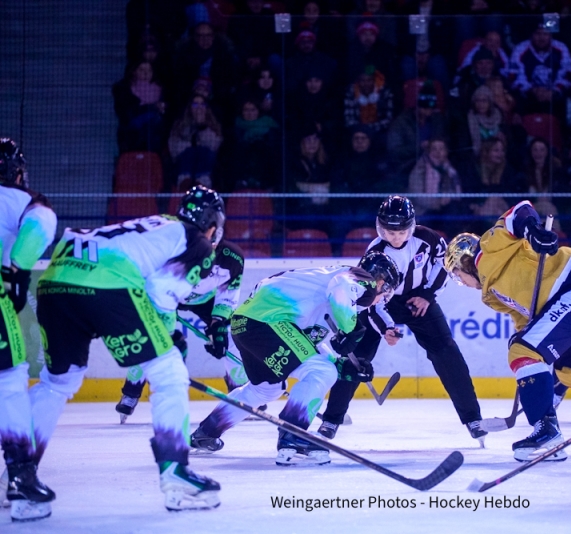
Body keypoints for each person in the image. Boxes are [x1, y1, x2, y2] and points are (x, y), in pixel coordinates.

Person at [27, 185, 224, 514]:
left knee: (57, 382)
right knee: (169, 371)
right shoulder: (197, 241)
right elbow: (161, 291)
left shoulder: (159, 223)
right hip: (106, 283)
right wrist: (171, 334)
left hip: (54, 281)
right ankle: (177, 473)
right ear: (214, 225)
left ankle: (17, 475)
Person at [443, 202, 571, 462]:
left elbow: (520, 211)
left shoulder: (488, 248)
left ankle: (547, 431)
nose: (463, 283)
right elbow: (525, 318)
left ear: (464, 261)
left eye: (459, 276)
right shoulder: (489, 295)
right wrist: (522, 333)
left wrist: (532, 230)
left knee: (522, 353)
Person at [189, 252, 399, 465]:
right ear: (381, 282)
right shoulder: (357, 279)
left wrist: (342, 365)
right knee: (322, 372)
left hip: (247, 324)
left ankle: (207, 432)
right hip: (268, 322)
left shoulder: (322, 292)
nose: (378, 301)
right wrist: (352, 329)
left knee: (265, 389)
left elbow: (306, 345)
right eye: (385, 295)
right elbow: (341, 287)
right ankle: (294, 435)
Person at [318, 196, 486, 443]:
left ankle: (473, 418)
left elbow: (445, 266)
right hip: (381, 302)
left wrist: (427, 295)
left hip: (419, 301)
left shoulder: (429, 239)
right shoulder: (375, 252)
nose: (395, 237)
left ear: (412, 224)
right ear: (379, 227)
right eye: (389, 231)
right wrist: (386, 327)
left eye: (401, 231)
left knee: (447, 352)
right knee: (356, 356)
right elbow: (369, 298)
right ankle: (331, 419)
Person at [115, 228, 247, 422]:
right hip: (170, 295)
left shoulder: (233, 258)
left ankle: (241, 393)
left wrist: (218, 322)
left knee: (230, 334)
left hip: (205, 300)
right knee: (151, 337)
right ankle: (131, 392)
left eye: (212, 247)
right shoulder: (173, 250)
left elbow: (228, 295)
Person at [0, 138, 58, 522]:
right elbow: (41, 225)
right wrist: (16, 271)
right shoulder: (24, 201)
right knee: (11, 380)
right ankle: (20, 478)